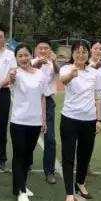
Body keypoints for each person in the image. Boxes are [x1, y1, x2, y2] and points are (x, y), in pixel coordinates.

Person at [59, 40, 101, 201]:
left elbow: (98, 97)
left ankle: (80, 183)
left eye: (84, 51)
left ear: (88, 54)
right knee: (68, 156)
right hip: (69, 118)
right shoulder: (67, 68)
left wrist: (98, 119)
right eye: (77, 51)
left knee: (85, 155)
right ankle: (69, 193)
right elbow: (63, 80)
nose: (81, 54)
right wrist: (72, 75)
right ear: (72, 54)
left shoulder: (95, 73)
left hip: (89, 120)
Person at [8, 43, 47, 201]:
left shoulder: (40, 74)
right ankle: (21, 191)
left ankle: (19, 185)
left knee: (27, 156)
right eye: (20, 56)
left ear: (31, 56)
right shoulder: (15, 73)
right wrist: (11, 76)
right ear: (16, 58)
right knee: (19, 155)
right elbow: (7, 82)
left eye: (26, 55)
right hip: (18, 121)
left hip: (35, 122)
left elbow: (43, 97)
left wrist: (43, 119)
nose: (23, 58)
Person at [33, 37, 59, 184]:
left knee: (50, 138)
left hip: (48, 102)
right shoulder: (31, 62)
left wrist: (54, 61)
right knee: (29, 136)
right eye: (40, 48)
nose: (43, 51)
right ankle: (26, 164)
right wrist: (37, 64)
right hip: (32, 102)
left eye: (46, 48)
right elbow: (28, 70)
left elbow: (59, 73)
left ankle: (49, 171)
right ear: (36, 50)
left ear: (50, 50)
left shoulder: (51, 64)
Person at [0, 26, 16, 172]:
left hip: (3, 93)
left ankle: (1, 159)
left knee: (1, 127)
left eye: (1, 37)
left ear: (4, 39)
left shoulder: (10, 55)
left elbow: (12, 74)